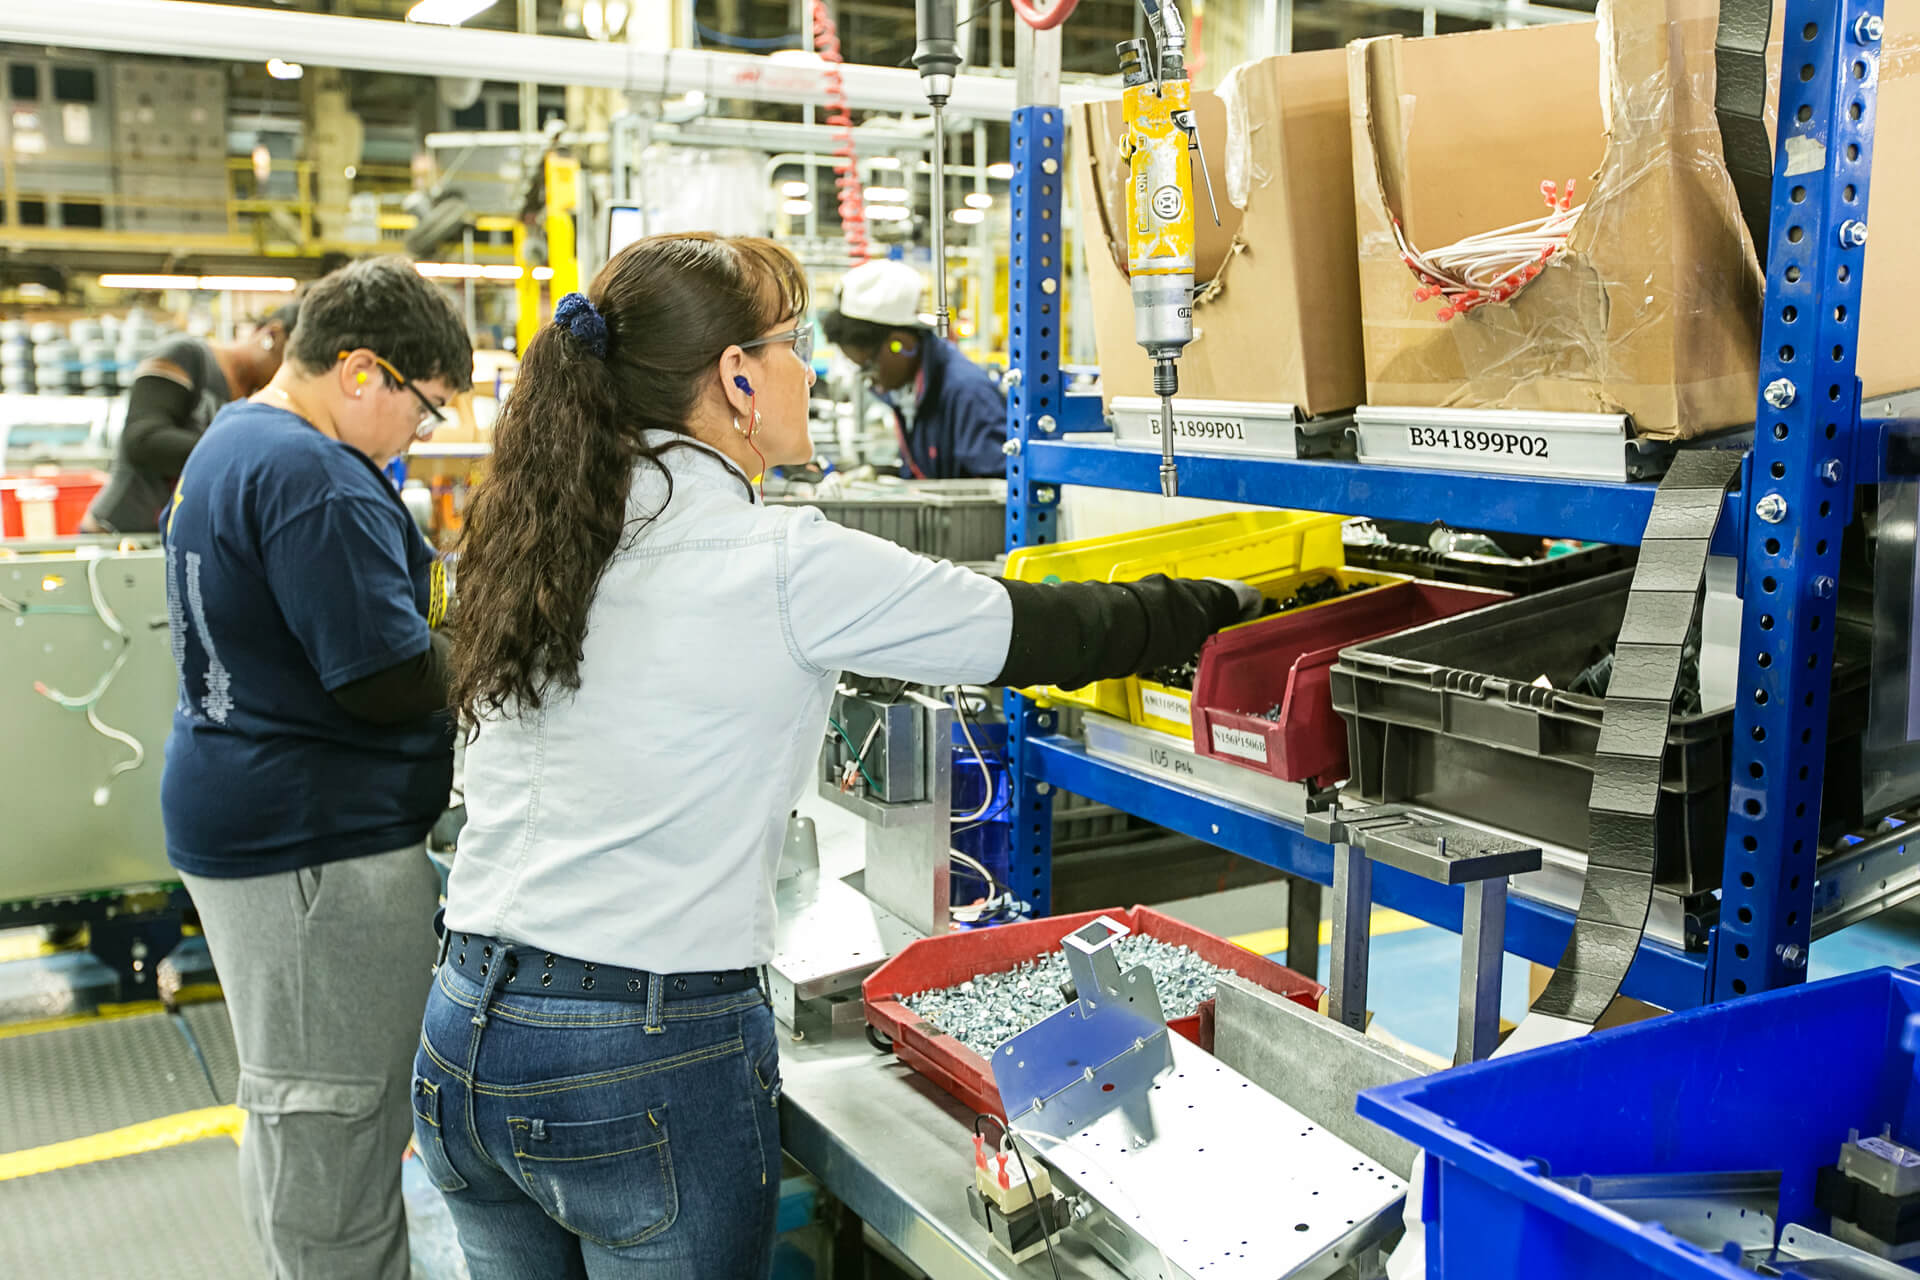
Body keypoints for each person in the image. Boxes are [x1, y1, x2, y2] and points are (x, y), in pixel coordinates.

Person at [416, 232, 1258, 1279]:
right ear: (735, 378)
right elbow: (1027, 630)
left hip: (464, 1027)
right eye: (793, 343)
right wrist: (1218, 607)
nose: (809, 369)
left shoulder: (538, 535)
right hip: (636, 1054)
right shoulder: (777, 561)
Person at [162, 256, 472, 1278]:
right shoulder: (315, 475)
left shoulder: (239, 438)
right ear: (361, 372)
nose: (419, 437)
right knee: (334, 1120)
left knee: (295, 1106)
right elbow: (381, 674)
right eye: (422, 411)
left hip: (257, 818)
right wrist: (499, 652)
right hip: (311, 848)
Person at [84, 305, 298, 533]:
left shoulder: (257, 396)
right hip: (120, 534)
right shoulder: (185, 355)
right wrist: (244, 451)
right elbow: (142, 440)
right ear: (272, 335)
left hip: (175, 538)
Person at [821, 258, 1007, 479]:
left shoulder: (968, 394)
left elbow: (997, 491)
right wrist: (881, 474)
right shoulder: (910, 393)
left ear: (901, 344)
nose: (870, 380)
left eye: (869, 366)